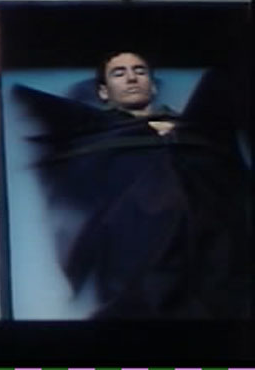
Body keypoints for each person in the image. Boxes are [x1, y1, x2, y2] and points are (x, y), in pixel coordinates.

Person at [13, 51, 250, 318]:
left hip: (213, 257)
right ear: (103, 92)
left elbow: (226, 175)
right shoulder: (93, 134)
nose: (131, 78)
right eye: (119, 73)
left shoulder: (198, 128)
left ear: (154, 86)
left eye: (139, 71)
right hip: (138, 251)